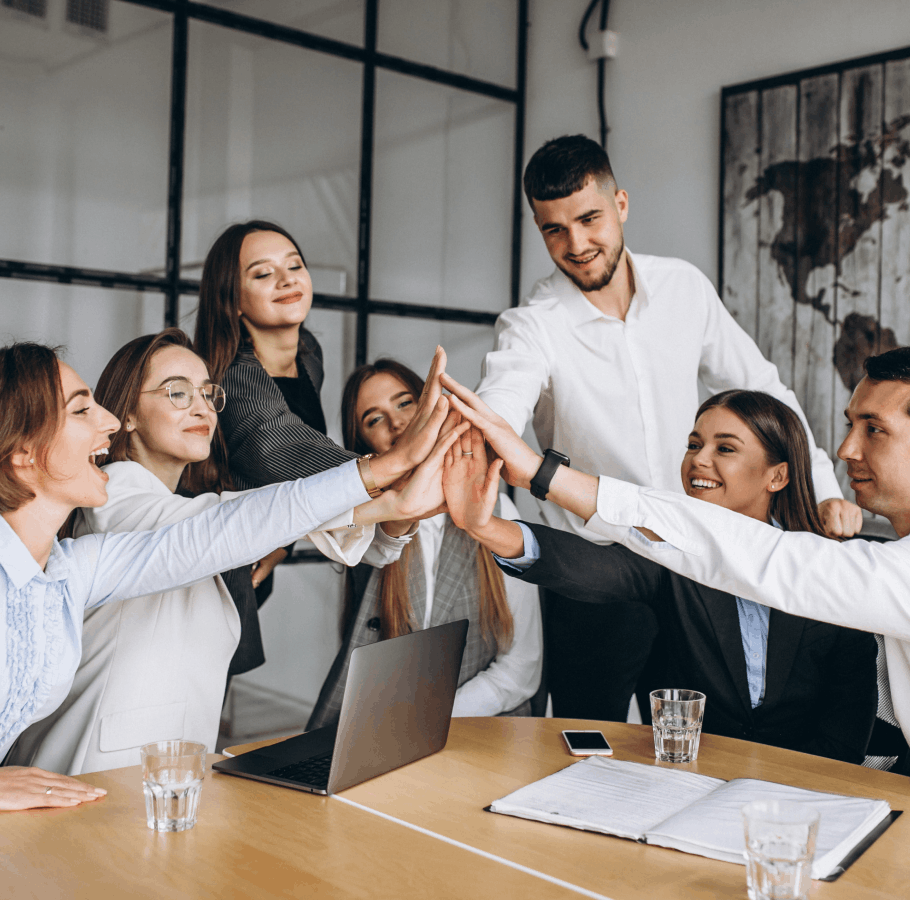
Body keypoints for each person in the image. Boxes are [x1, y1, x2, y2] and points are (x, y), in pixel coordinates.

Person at [474, 134, 862, 722]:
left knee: (699, 742)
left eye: (589, 218)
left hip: (690, 566)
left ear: (621, 204)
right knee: (586, 746)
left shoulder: (684, 287)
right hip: (593, 575)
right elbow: (499, 406)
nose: (576, 245)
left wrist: (825, 490)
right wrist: (477, 438)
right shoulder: (532, 326)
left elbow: (766, 390)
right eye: (554, 229)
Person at [0, 340, 462, 809]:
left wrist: (395, 506)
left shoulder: (75, 565)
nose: (201, 406)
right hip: (95, 775)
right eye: (178, 393)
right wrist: (385, 472)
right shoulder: (121, 493)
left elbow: (226, 527)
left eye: (207, 392)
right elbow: (219, 528)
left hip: (162, 780)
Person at [439, 346, 910, 775]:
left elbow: (847, 711)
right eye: (693, 445)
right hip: (691, 783)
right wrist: (488, 527)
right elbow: (595, 568)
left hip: (806, 795)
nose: (846, 449)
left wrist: (541, 472)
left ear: (777, 475)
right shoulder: (672, 562)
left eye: (725, 448)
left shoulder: (836, 568)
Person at [195, 221, 423, 608]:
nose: (286, 280)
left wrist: (282, 542)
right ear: (232, 300)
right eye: (264, 273)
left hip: (256, 552)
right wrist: (398, 470)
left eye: (295, 266)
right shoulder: (234, 378)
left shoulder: (308, 353)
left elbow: (284, 479)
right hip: (209, 561)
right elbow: (286, 453)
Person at [308, 360, 542, 728]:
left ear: (433, 405)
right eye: (374, 419)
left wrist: (426, 718)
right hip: (383, 728)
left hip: (482, 729)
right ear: (363, 444)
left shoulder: (497, 511)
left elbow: (521, 668)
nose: (397, 424)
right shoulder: (366, 528)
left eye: (405, 403)